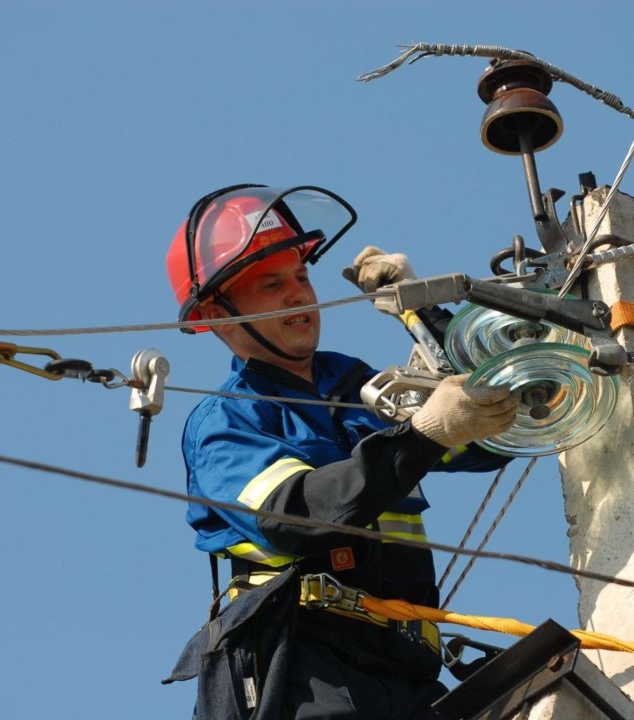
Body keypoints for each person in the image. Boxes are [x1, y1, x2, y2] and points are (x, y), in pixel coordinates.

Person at [162, 184, 519, 719]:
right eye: (271, 284)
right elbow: (297, 516)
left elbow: (494, 428)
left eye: (301, 277)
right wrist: (424, 434)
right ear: (217, 313)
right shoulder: (227, 423)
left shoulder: (353, 385)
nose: (298, 295)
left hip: (407, 675)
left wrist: (423, 313)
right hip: (305, 674)